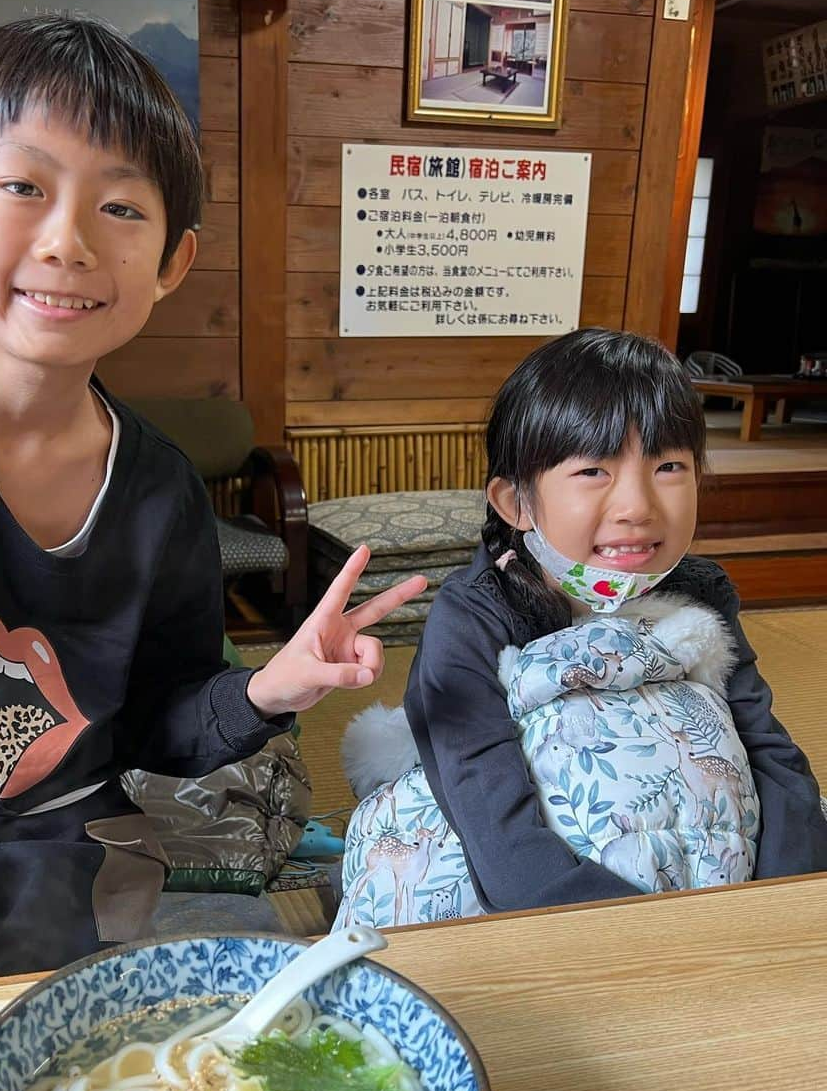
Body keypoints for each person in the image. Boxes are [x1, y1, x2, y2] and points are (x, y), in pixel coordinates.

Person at [0, 17, 424, 996]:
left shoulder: (156, 488)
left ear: (171, 264)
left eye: (119, 207)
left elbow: (161, 727)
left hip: (89, 863)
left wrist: (268, 690)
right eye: (23, 188)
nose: (66, 241)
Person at [334, 328, 827, 927]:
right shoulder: (474, 613)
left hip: (706, 875)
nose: (638, 505)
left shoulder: (701, 592)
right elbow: (488, 807)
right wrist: (617, 930)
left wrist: (779, 899)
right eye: (594, 470)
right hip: (551, 897)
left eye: (669, 465)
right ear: (515, 503)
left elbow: (766, 748)